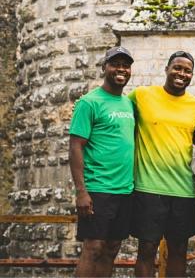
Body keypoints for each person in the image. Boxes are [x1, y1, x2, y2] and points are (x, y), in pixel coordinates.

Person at [129, 51, 195, 278]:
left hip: (182, 190)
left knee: (179, 251)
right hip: (148, 189)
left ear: (192, 75)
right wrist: (85, 107)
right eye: (177, 68)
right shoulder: (141, 95)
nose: (181, 73)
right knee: (146, 250)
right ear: (167, 69)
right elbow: (115, 112)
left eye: (187, 70)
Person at [69, 46, 136, 277]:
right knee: (93, 248)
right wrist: (81, 191)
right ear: (104, 68)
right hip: (98, 188)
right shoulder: (89, 102)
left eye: (125, 65)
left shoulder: (128, 104)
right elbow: (75, 146)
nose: (121, 69)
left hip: (124, 190)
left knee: (111, 249)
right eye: (115, 64)